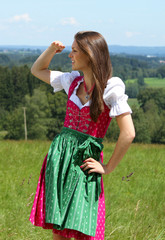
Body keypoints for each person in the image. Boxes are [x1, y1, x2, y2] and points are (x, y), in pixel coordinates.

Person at [28, 31, 135, 240]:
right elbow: (37, 69)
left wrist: (107, 167)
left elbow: (128, 133)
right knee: (59, 230)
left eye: (75, 51)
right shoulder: (72, 81)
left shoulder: (110, 88)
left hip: (85, 162)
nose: (70, 55)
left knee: (86, 228)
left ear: (90, 55)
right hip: (60, 160)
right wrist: (51, 50)